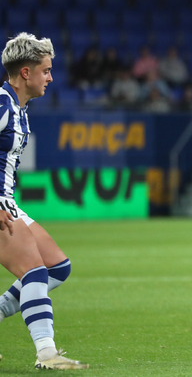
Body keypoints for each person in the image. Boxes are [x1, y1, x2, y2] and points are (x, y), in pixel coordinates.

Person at [0, 33, 88, 369]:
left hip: (7, 200)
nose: (50, 78)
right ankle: (46, 353)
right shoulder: (3, 106)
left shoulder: (17, 107)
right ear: (26, 73)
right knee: (34, 271)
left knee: (56, 267)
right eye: (46, 70)